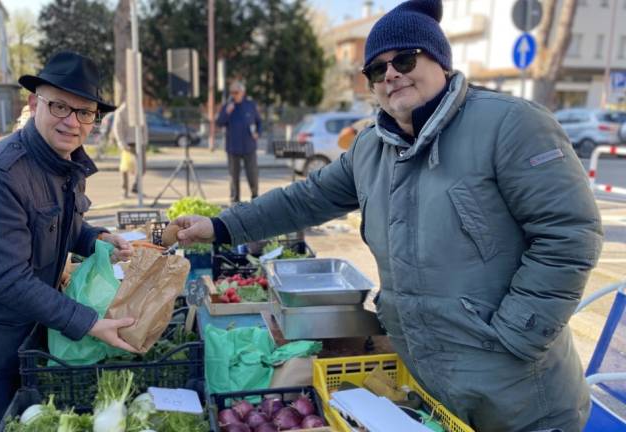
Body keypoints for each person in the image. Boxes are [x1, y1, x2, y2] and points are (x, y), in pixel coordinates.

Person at [173, 1, 603, 431]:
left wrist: (516, 336)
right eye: (377, 70)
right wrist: (220, 226)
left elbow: (568, 236)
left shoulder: (511, 124)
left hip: (519, 398)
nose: (392, 74)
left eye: (404, 59)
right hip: (433, 389)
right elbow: (304, 199)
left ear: (440, 61)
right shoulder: (371, 148)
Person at [0, 51, 138, 432]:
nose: (72, 122)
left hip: (27, 335)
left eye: (85, 112)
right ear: (33, 102)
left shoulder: (63, 161)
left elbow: (61, 226)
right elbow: (8, 279)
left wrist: (97, 238)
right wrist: (89, 323)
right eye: (60, 106)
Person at [216, 81, 262, 204]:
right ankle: (235, 200)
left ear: (242, 92)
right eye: (231, 92)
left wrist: (258, 133)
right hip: (232, 147)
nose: (233, 95)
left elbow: (259, 122)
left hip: (249, 146)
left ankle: (255, 197)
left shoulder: (250, 105)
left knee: (252, 174)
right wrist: (227, 112)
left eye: (236, 92)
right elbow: (219, 122)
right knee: (233, 176)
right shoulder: (227, 106)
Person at [111, 101, 148, 198]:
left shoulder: (138, 109)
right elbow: (117, 128)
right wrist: (121, 143)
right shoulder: (121, 111)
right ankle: (125, 190)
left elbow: (144, 126)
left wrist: (145, 140)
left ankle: (136, 187)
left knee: (142, 168)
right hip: (128, 143)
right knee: (126, 168)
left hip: (140, 142)